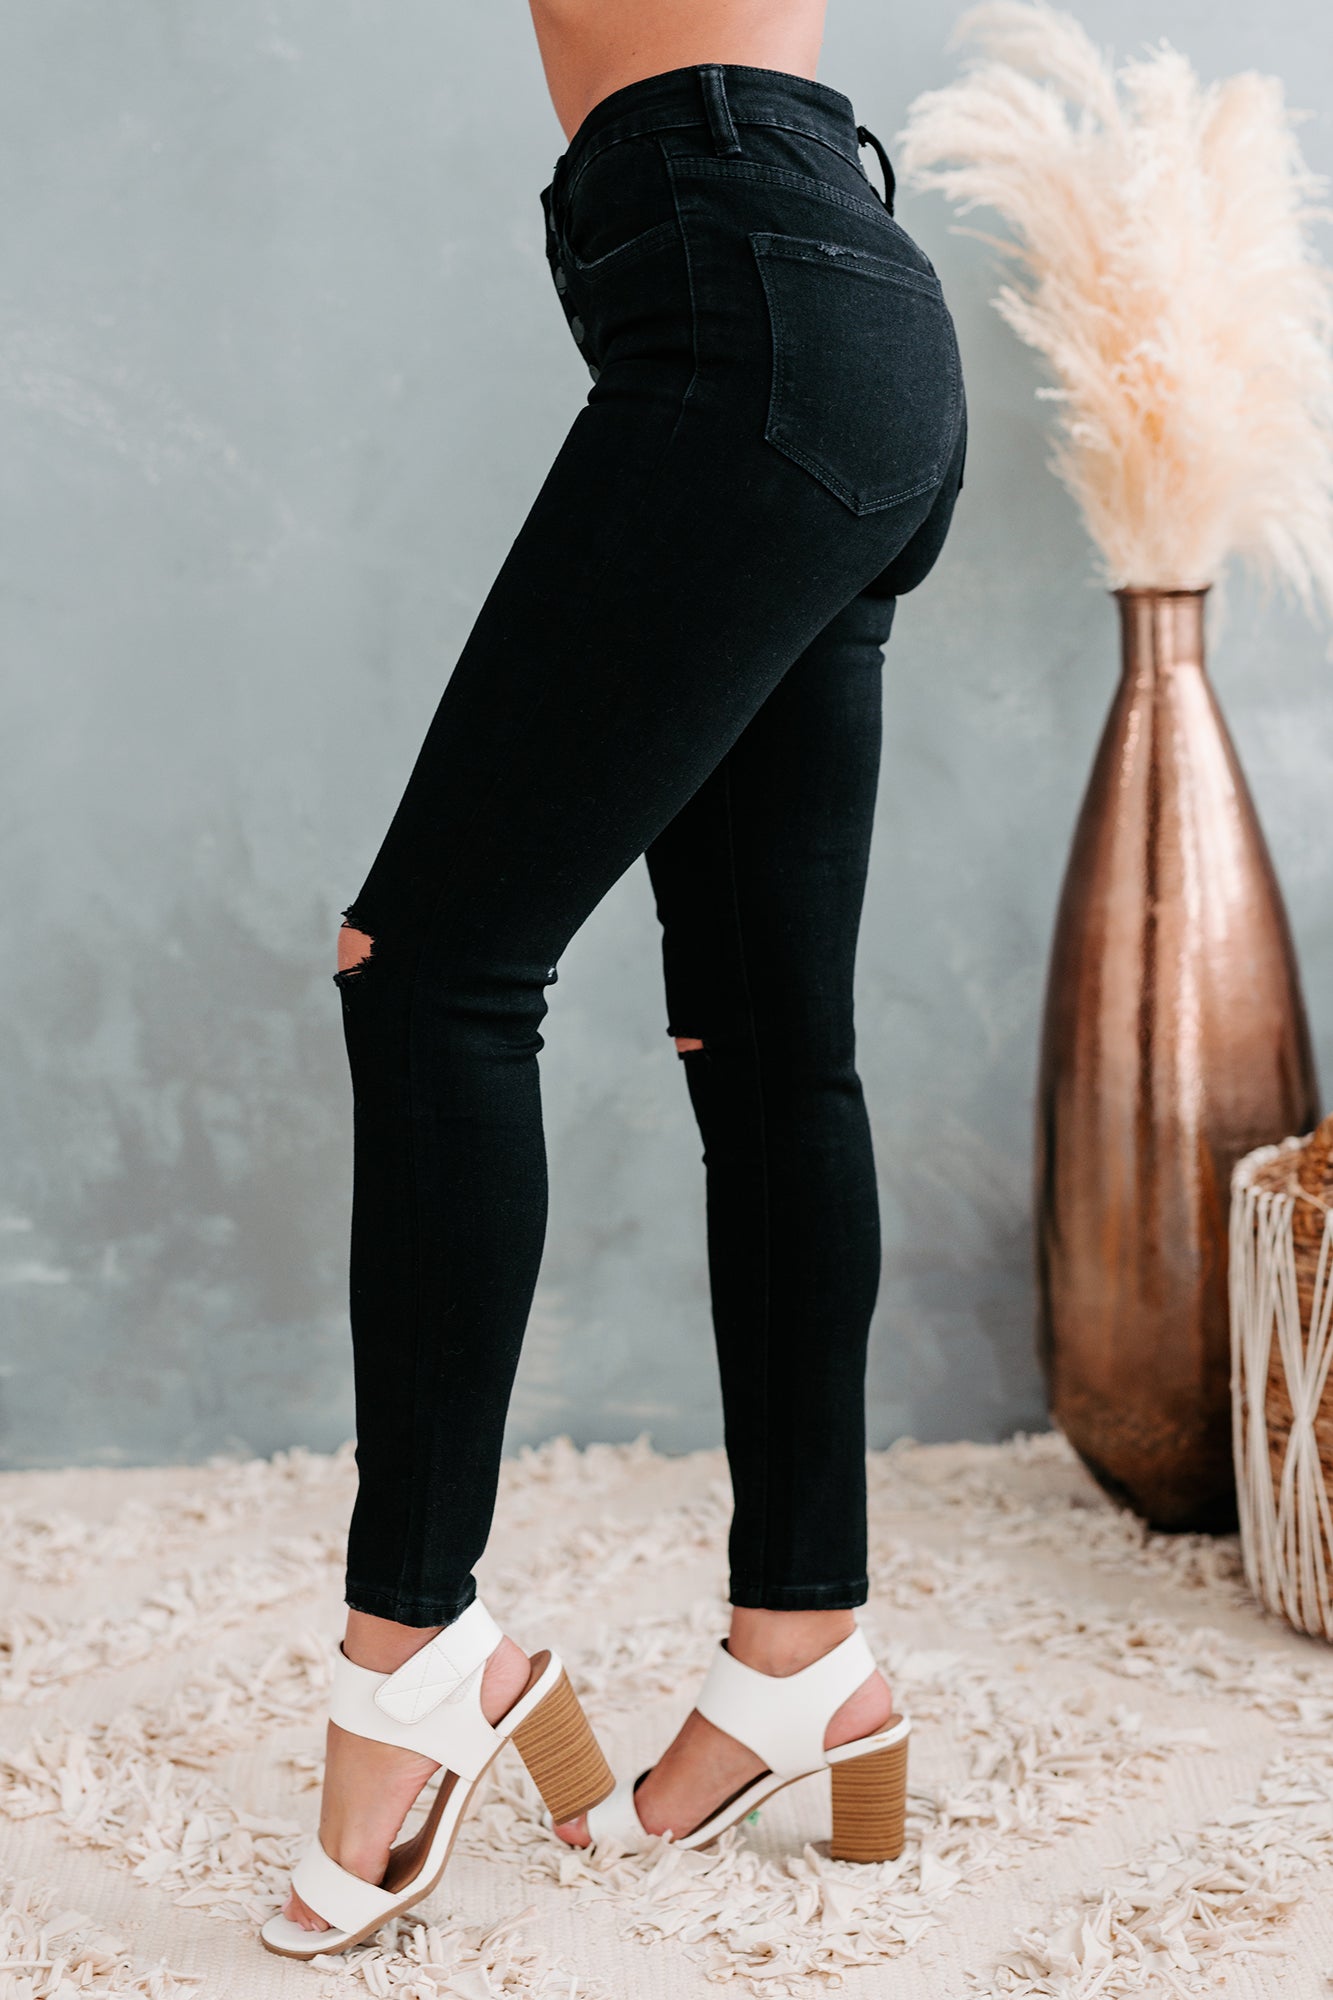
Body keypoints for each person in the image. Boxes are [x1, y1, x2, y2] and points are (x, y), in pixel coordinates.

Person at [261, 0, 965, 1958]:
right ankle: (802, 1655)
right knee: (767, 1042)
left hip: (745, 300)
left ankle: (412, 1650)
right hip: (824, 302)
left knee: (430, 969)